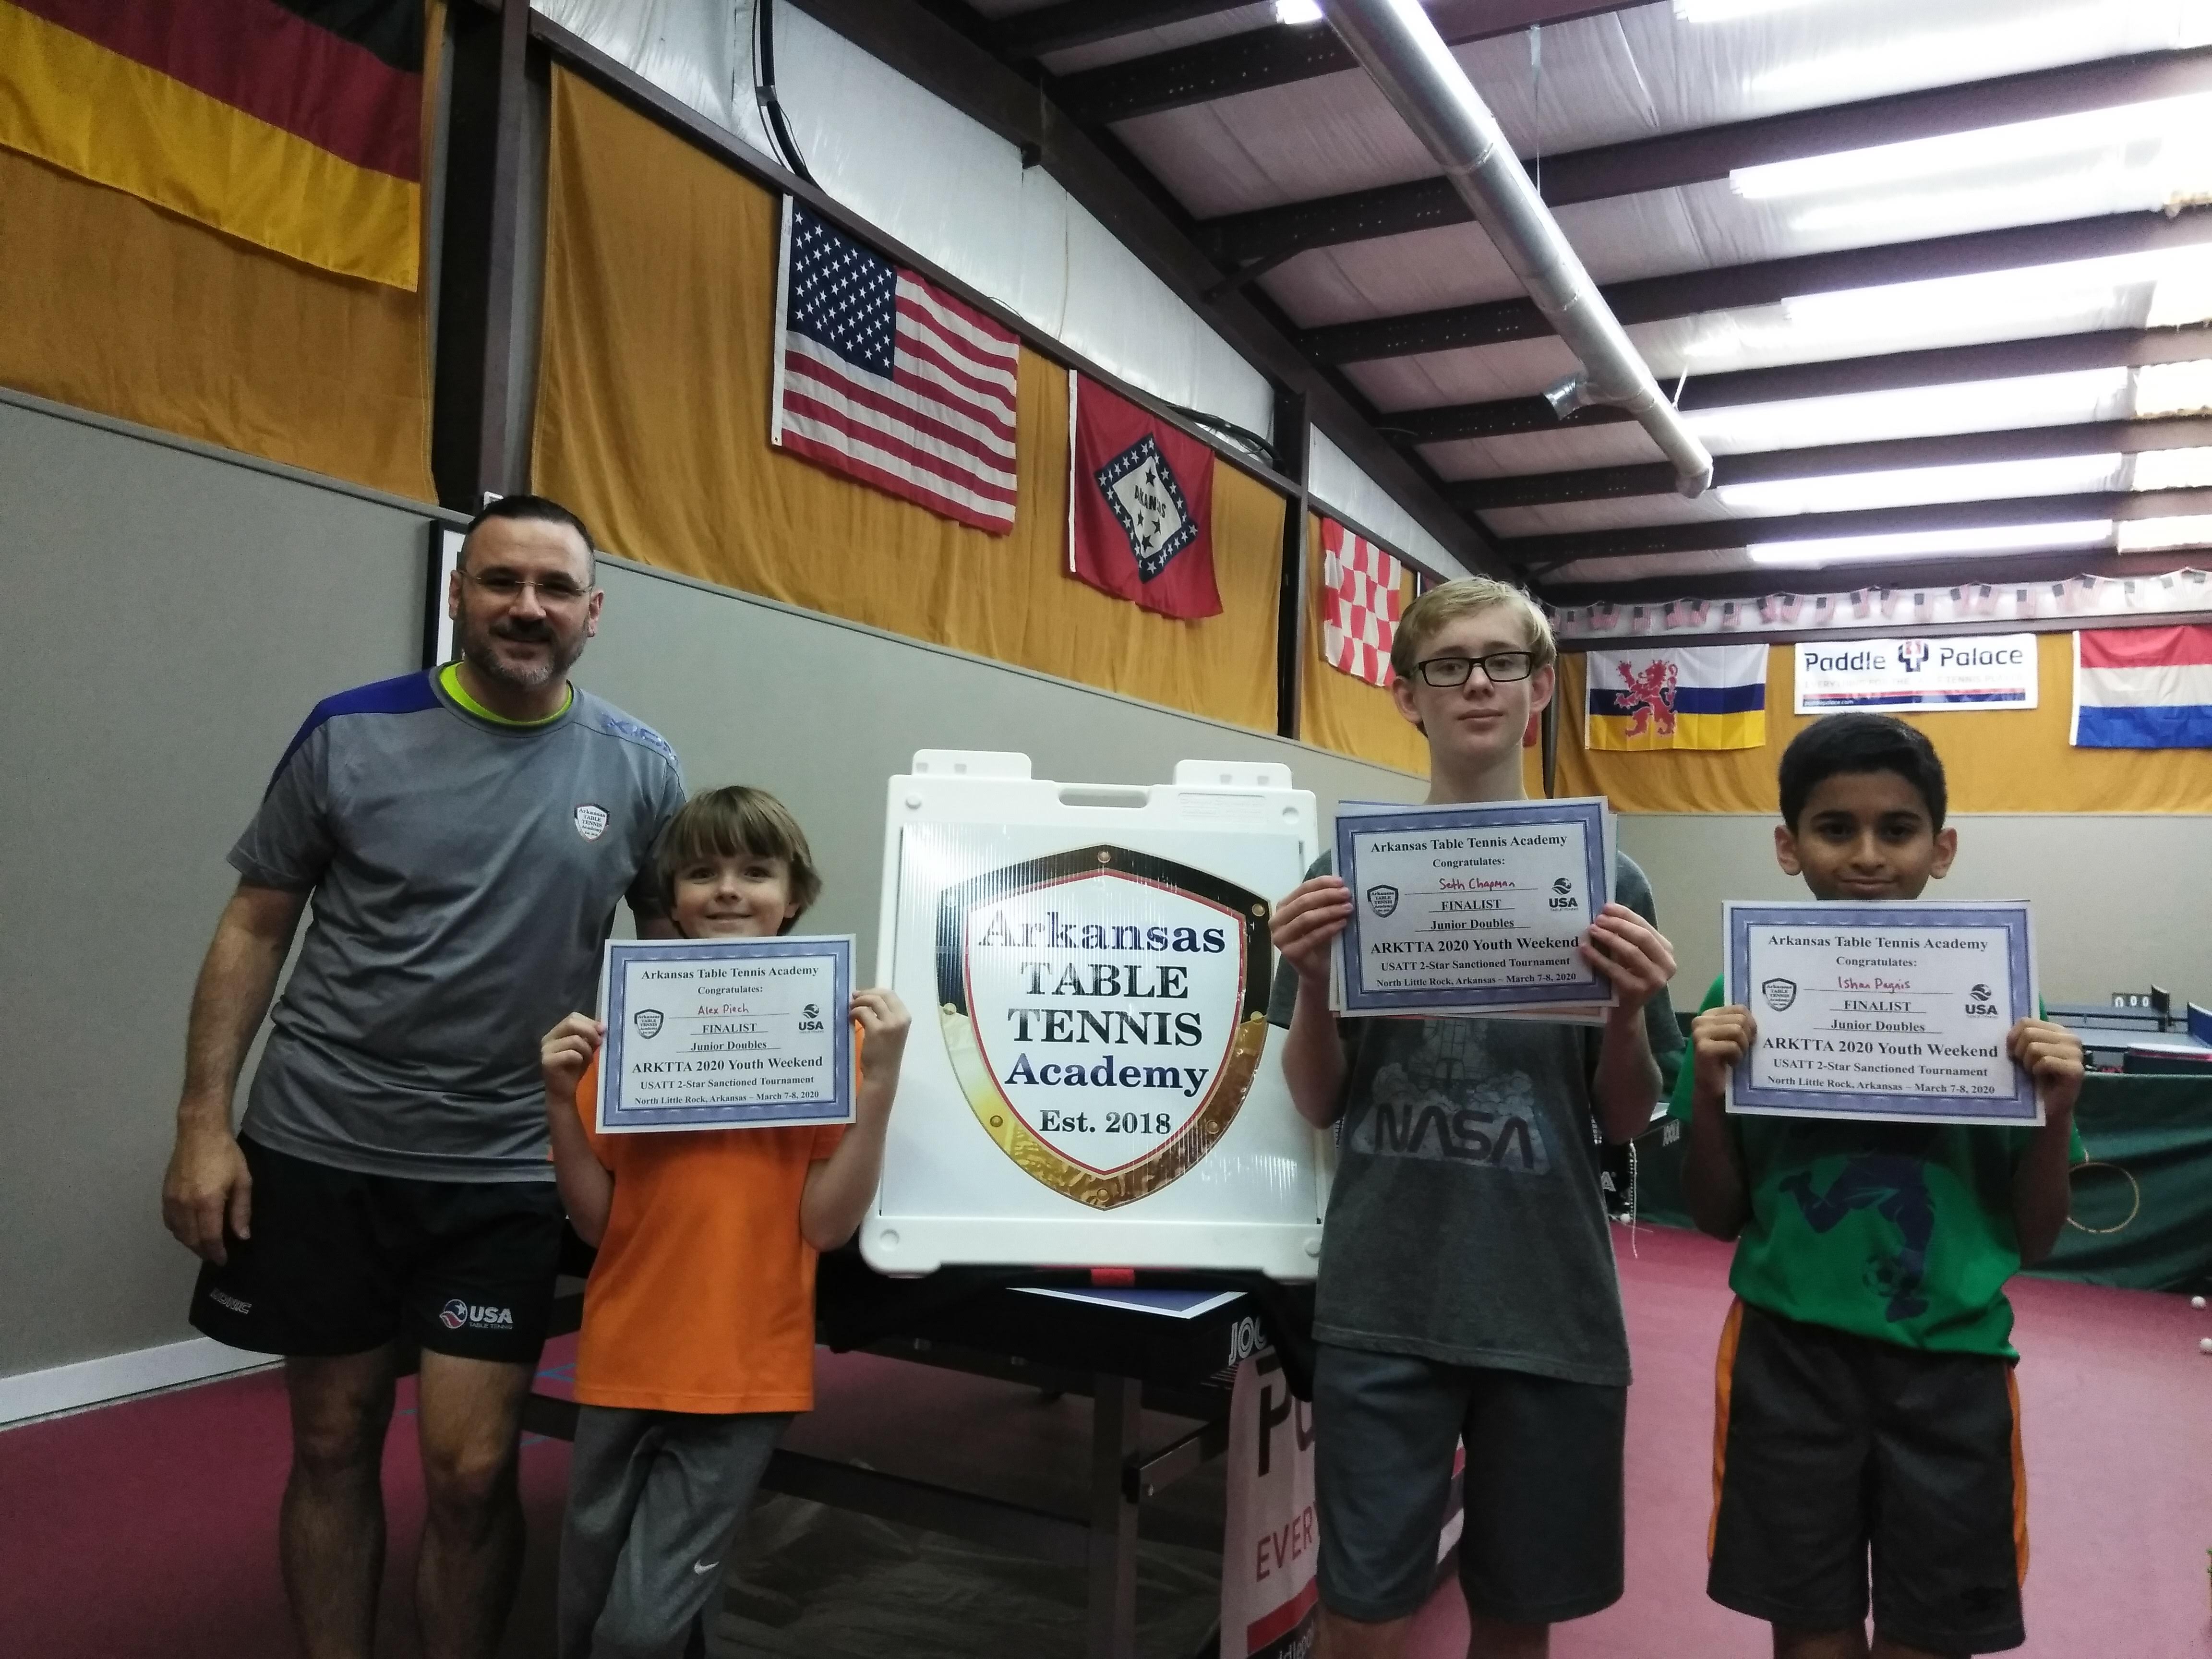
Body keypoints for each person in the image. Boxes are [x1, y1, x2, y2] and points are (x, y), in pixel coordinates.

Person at [160, 494, 687, 1659]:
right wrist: (204, 1123)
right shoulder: (348, 733)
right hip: (323, 1146)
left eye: (555, 589)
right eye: (502, 581)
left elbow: (678, 971)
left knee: (472, 1468)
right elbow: (254, 924)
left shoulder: (642, 769)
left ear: (594, 612)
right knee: (333, 1442)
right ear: (458, 593)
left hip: (506, 1168)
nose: (527, 608)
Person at [1268, 578, 1683, 1659]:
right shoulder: (1344, 874)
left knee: (1515, 1616)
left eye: (1503, 662)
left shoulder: (1609, 880)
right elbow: (1316, 1099)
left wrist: (1628, 1012)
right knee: (1361, 1616)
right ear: (1408, 696)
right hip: (1385, 1293)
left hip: (1547, 1301)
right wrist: (1310, 983)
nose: (1478, 685)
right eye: (1447, 666)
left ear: (1541, 687)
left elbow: (1625, 1122)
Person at [1672, 713, 2085, 1659]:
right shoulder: (1739, 1003)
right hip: (1788, 1355)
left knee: (1930, 1636)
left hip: (1952, 1362)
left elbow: (2035, 1239)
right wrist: (1706, 1093)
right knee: (1808, 1632)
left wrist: (2057, 1111)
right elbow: (1715, 1213)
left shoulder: (2009, 1006)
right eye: (1835, 828)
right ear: (1789, 846)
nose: (1866, 855)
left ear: (1942, 848)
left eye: (1896, 830)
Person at [539, 785, 910, 1659]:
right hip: (623, 1355)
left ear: (796, 894)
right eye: (703, 873)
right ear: (672, 900)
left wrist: (881, 1085)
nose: (729, 890)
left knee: (636, 1632)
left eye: (755, 871)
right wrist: (559, 1101)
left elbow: (826, 1227)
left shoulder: (836, 1038)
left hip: (744, 1368)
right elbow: (596, 1226)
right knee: (586, 1610)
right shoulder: (629, 1035)